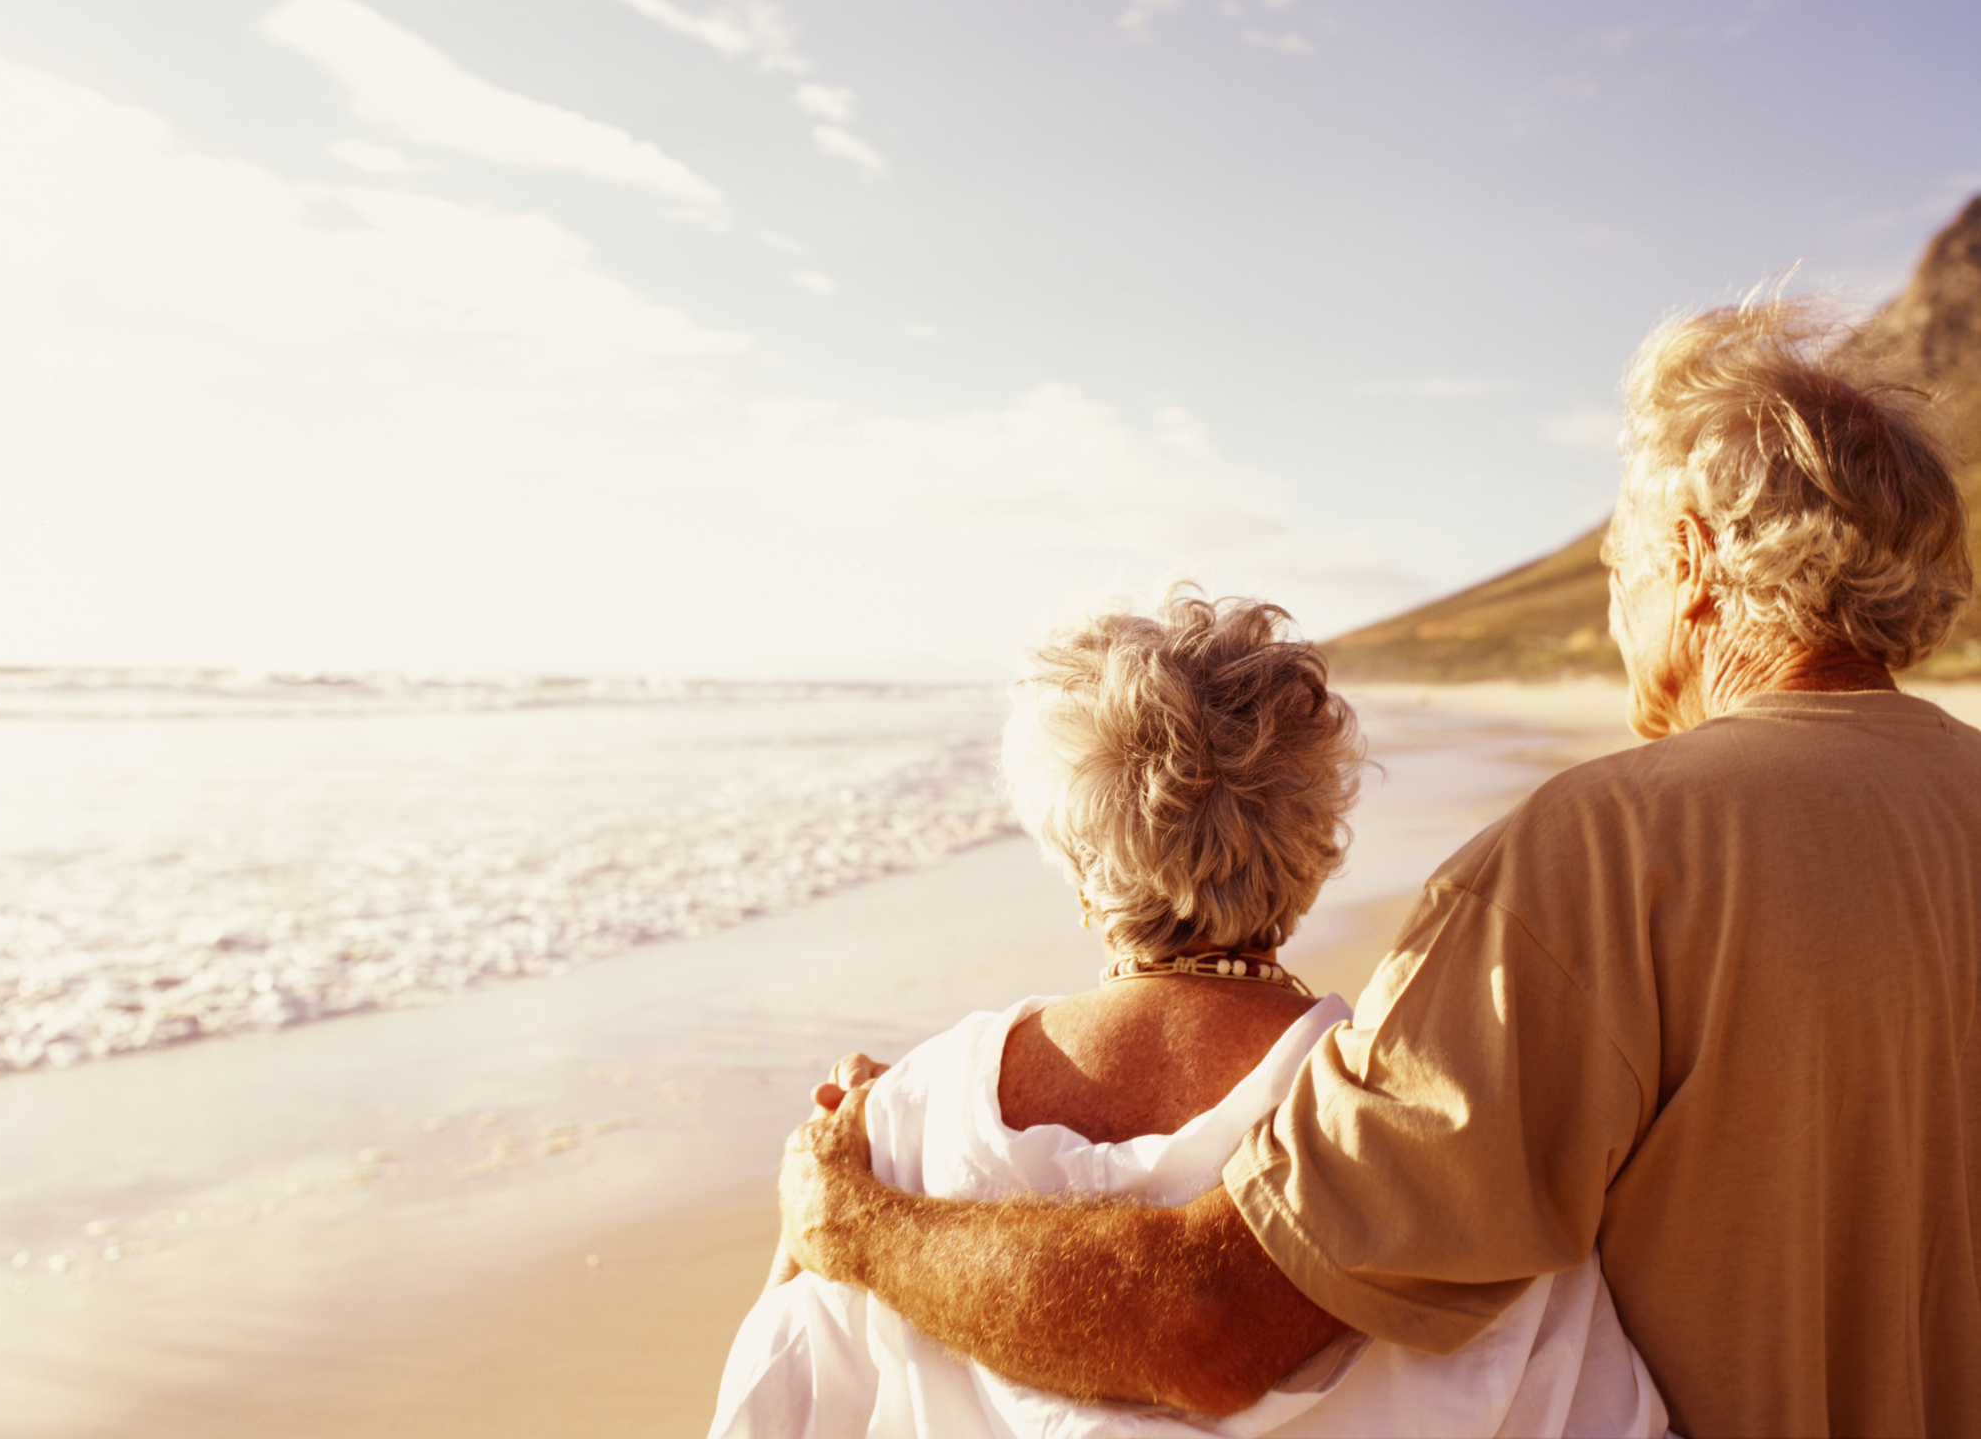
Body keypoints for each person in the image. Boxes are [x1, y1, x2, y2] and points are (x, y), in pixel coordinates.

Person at [777, 297, 1981, 1437]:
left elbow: (1217, 1325)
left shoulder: (1605, 855)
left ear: (1692, 551)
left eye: (1617, 566)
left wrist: (863, 1227)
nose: (1618, 607)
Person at [715, 592, 1668, 1436]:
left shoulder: (893, 1130)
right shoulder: (1428, 1132)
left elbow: (771, 1412)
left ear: (1081, 865)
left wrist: (845, 1179)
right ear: (1311, 851)